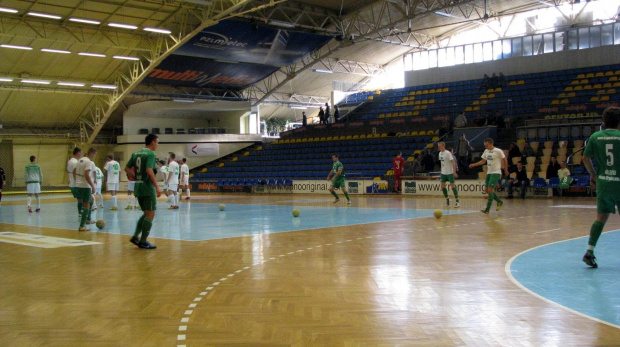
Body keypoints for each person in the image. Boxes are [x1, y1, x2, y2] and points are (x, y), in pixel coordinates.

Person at [581, 106, 620, 268]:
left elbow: (585, 158)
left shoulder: (596, 137)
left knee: (601, 218)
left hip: (604, 182)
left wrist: (593, 174)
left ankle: (589, 252)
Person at [125, 134, 162, 249]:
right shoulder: (151, 154)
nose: (157, 145)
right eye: (157, 142)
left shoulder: (136, 153)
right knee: (151, 213)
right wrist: (157, 186)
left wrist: (135, 177)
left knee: (146, 213)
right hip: (147, 187)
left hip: (138, 186)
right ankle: (143, 241)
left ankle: (136, 236)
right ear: (152, 142)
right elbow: (149, 170)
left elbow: (126, 168)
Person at [469, 138, 508, 214]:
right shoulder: (486, 151)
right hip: (489, 173)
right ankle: (499, 201)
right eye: (485, 145)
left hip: (496, 172)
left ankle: (487, 209)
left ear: (491, 144)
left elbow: (505, 159)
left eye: (487, 145)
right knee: (487, 190)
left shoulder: (498, 151)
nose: (486, 147)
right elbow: (483, 161)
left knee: (490, 190)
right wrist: (474, 164)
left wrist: (505, 170)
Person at [75, 148, 97, 231]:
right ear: (91, 153)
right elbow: (87, 175)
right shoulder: (89, 162)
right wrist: (92, 185)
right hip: (85, 185)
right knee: (86, 205)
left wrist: (76, 180)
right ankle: (82, 225)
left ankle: (88, 219)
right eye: (94, 155)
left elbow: (74, 171)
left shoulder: (80, 160)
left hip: (78, 184)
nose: (94, 156)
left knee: (90, 200)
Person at [438, 142, 460, 207]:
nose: (438, 147)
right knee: (442, 186)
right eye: (438, 146)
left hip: (449, 172)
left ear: (443, 146)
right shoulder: (440, 153)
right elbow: (442, 163)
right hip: (443, 173)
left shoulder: (448, 153)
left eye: (439, 146)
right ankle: (447, 199)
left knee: (453, 186)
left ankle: (457, 201)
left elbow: (453, 162)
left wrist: (454, 171)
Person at [67, 147, 82, 217]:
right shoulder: (75, 162)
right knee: (82, 199)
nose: (81, 155)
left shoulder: (70, 161)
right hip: (75, 184)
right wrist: (78, 181)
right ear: (78, 153)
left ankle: (80, 213)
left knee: (79, 199)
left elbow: (68, 171)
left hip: (71, 183)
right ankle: (81, 213)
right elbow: (74, 172)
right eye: (80, 153)